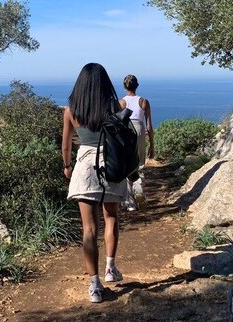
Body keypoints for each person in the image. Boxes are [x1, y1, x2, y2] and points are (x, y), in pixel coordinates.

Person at [62, 62, 129, 303]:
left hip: (85, 167)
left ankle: (94, 286)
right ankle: (110, 268)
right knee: (111, 217)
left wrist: (67, 166)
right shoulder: (116, 106)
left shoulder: (71, 111)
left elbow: (66, 145)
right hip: (110, 166)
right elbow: (123, 140)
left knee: (89, 229)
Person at [119, 74, 155, 210]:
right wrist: (152, 145)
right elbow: (149, 126)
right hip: (140, 130)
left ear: (124, 86)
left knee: (127, 165)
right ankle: (139, 191)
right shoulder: (144, 102)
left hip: (126, 131)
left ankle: (129, 203)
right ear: (137, 86)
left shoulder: (121, 103)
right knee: (139, 164)